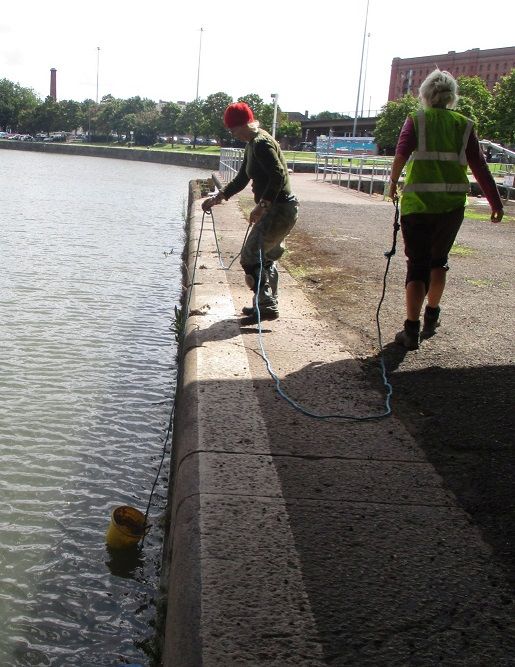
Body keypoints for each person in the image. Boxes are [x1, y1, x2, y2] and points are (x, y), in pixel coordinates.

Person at [389, 69, 504, 350]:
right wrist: (495, 201)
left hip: (417, 206)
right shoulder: (464, 125)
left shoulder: (416, 119)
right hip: (451, 207)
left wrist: (392, 184)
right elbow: (480, 166)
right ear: (452, 96)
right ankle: (432, 316)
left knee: (416, 265)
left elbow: (401, 154)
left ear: (425, 94)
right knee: (438, 261)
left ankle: (411, 330)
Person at [202, 102, 298, 323]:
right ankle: (263, 303)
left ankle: (266, 305)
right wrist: (218, 197)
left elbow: (278, 176)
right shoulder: (252, 144)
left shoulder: (262, 144)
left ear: (245, 124)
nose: (233, 134)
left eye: (233, 129)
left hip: (279, 209)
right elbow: (242, 179)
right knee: (265, 258)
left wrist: (261, 206)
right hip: (278, 209)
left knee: (250, 257)